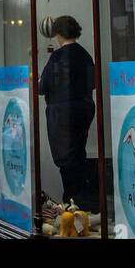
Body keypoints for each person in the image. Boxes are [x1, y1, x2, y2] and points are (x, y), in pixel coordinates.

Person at [38, 15, 96, 207]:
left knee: (65, 158)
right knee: (78, 152)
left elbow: (43, 86)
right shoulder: (85, 55)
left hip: (62, 113)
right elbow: (92, 83)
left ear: (59, 34)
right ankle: (79, 198)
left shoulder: (57, 57)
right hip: (85, 109)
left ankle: (74, 200)